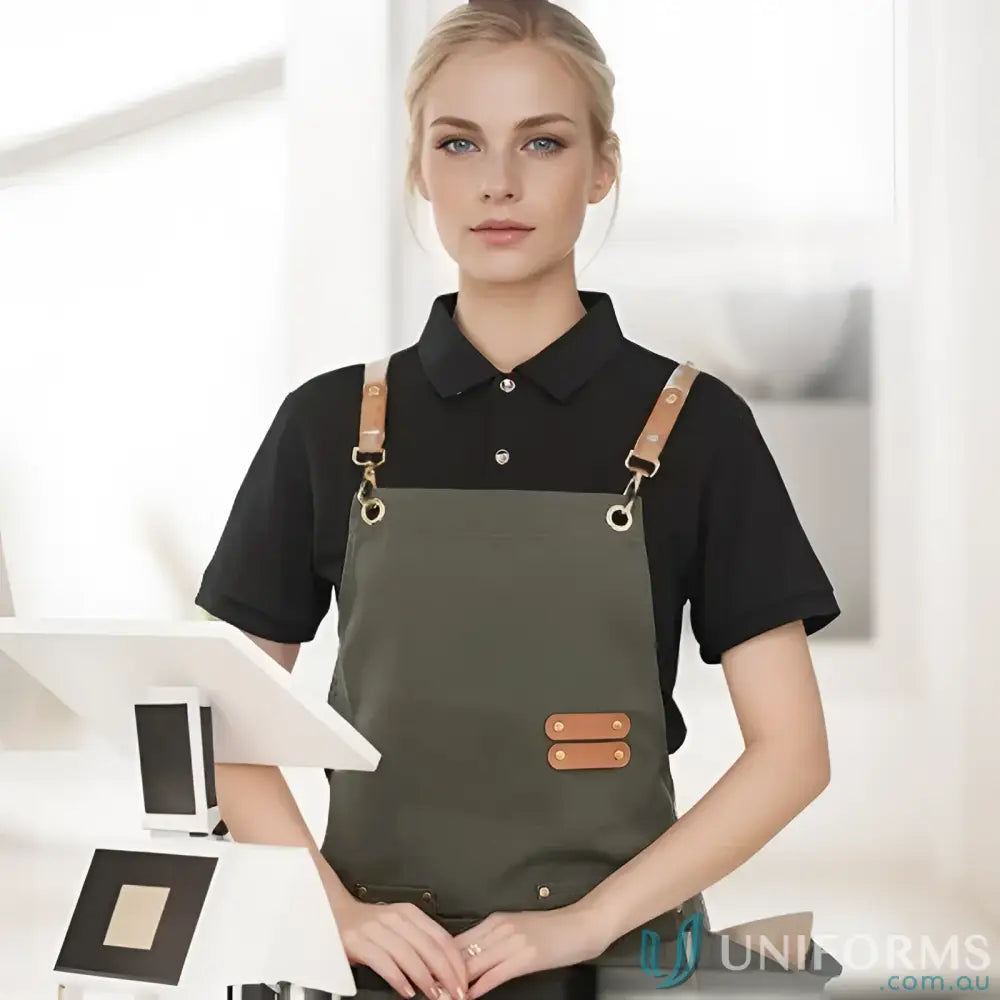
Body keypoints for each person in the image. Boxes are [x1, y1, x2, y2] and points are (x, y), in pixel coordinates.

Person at [195, 1, 844, 997]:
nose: (497, 182)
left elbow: (792, 754)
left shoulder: (697, 426)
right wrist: (339, 912)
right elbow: (218, 719)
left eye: (541, 142)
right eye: (459, 144)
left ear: (601, 168)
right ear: (419, 166)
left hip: (621, 959)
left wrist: (583, 924)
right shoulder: (326, 425)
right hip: (377, 963)